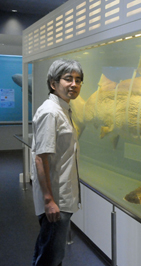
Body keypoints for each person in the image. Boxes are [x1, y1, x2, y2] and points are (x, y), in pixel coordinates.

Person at [31, 59, 84, 266]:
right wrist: (49, 200)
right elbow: (40, 157)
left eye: (78, 80)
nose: (74, 84)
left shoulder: (63, 110)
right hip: (56, 201)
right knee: (50, 258)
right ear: (53, 83)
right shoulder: (51, 112)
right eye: (68, 79)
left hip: (62, 197)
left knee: (50, 252)